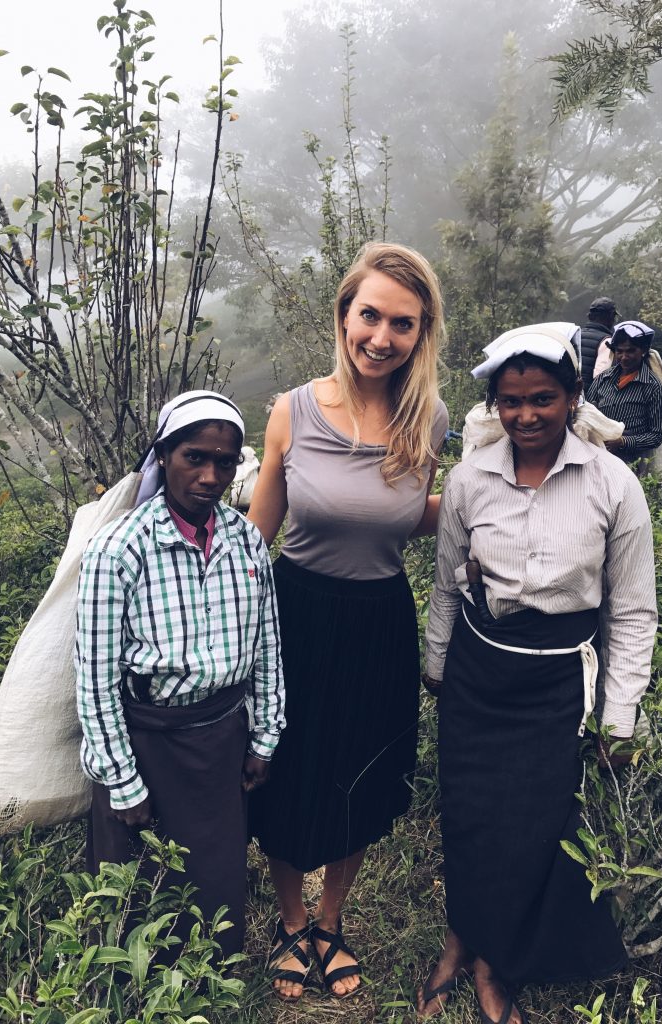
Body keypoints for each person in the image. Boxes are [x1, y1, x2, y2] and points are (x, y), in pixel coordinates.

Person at [418, 324, 657, 1024]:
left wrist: (620, 715)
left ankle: (495, 964)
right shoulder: (469, 480)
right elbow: (445, 585)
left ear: (574, 396)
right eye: (510, 401)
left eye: (542, 399)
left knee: (530, 823)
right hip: (475, 674)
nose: (525, 416)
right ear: (493, 403)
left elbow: (633, 612)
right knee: (465, 814)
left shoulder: (613, 485)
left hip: (555, 683)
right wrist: (436, 663)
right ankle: (460, 939)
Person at [247, 242, 449, 1000]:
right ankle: (292, 920)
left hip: (379, 621)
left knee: (361, 774)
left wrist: (499, 503)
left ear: (420, 333)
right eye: (370, 315)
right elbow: (253, 538)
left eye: (403, 324)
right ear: (344, 314)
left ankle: (333, 921)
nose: (382, 337)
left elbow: (404, 517)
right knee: (290, 770)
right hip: (296, 613)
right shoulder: (292, 411)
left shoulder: (428, 420)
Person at [75, 390, 285, 962]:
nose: (211, 475)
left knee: (214, 867)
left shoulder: (246, 543)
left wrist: (263, 736)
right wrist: (122, 779)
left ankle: (211, 975)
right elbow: (94, 677)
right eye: (195, 457)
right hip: (147, 741)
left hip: (220, 734)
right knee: (141, 881)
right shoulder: (119, 549)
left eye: (226, 460)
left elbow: (266, 647)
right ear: (164, 456)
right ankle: (139, 988)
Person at [585, 320, 662, 467]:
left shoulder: (653, 387)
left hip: (632, 463)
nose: (624, 357)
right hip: (599, 457)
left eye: (630, 351)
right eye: (619, 351)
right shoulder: (603, 379)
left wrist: (624, 442)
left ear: (643, 351)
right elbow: (586, 411)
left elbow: (656, 435)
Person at [580, 296, 617, 389]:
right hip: (588, 399)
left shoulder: (576, 334)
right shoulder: (607, 341)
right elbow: (600, 378)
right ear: (610, 317)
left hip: (570, 396)